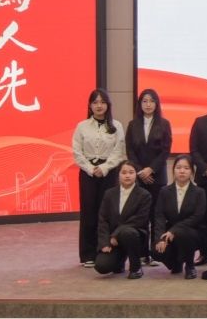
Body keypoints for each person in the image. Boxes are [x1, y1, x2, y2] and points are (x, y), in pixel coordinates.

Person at [72, 88, 126, 268]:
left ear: (108, 105)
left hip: (108, 173)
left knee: (108, 212)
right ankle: (87, 254)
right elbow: (77, 152)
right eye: (95, 102)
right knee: (88, 212)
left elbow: (119, 151)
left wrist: (104, 168)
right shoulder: (82, 126)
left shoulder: (116, 126)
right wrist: (90, 168)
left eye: (102, 102)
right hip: (88, 173)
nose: (99, 106)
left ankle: (106, 249)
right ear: (90, 105)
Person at [124, 88, 172, 267]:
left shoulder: (164, 124)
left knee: (156, 215)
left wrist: (151, 169)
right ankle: (142, 253)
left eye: (152, 101)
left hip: (157, 177)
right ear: (140, 104)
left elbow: (165, 151)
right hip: (138, 177)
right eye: (145, 101)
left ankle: (155, 252)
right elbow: (130, 151)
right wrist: (140, 171)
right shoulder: (132, 125)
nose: (148, 104)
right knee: (141, 215)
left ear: (157, 104)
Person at [94, 161, 152, 279]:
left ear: (136, 175)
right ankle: (119, 262)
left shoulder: (144, 195)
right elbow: (103, 220)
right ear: (118, 175)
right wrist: (105, 243)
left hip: (135, 236)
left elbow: (139, 220)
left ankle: (136, 267)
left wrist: (116, 234)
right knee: (102, 266)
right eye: (124, 172)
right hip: (113, 241)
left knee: (127, 232)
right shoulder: (109, 194)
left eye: (131, 172)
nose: (127, 175)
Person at [152, 155, 206, 279]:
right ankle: (176, 262)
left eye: (186, 168)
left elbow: (197, 216)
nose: (182, 171)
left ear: (192, 171)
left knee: (184, 234)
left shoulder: (199, 192)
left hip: (192, 232)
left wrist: (174, 230)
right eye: (178, 167)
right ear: (173, 170)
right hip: (170, 234)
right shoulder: (164, 191)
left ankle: (190, 265)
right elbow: (159, 216)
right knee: (156, 251)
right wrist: (160, 239)